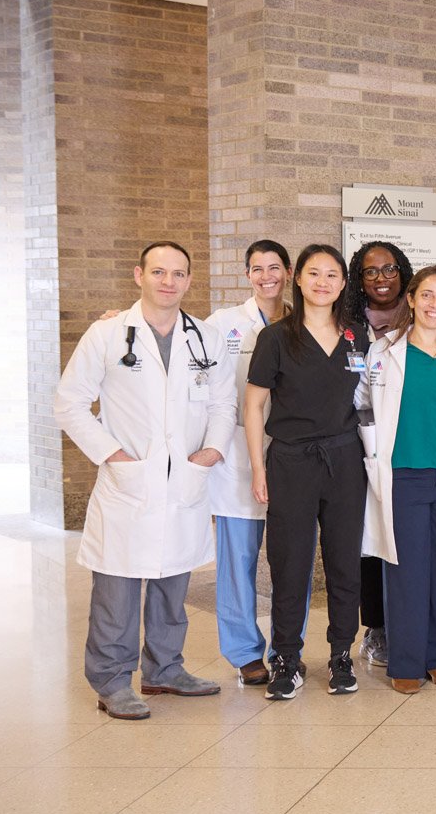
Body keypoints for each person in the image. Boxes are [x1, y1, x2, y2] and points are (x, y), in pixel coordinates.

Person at [55, 242, 232, 720]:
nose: (167, 281)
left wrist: (212, 450)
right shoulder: (108, 334)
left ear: (189, 280)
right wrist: (112, 453)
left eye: (177, 273)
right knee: (117, 589)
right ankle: (112, 681)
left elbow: (223, 404)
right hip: (129, 480)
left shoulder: (205, 338)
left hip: (186, 481)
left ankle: (165, 670)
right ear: (139, 275)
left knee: (173, 583)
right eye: (158, 271)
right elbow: (70, 403)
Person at [246, 244, 368, 701]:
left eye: (332, 275)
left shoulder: (358, 336)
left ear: (342, 283)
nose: (323, 282)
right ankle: (287, 658)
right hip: (291, 461)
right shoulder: (277, 337)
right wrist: (259, 468)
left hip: (345, 461)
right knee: (290, 563)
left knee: (343, 563)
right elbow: (255, 404)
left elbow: (372, 400)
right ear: (298, 279)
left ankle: (341, 653)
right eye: (314, 273)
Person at [357, 266, 436, 694]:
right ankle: (407, 662)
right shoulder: (384, 352)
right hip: (402, 473)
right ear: (411, 299)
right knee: (405, 569)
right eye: (427, 295)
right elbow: (362, 402)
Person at [204, 239, 290, 685]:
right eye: (257, 269)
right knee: (237, 559)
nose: (266, 276)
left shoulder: (304, 319)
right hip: (239, 456)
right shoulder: (223, 323)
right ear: (247, 275)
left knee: (288, 562)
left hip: (292, 453)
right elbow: (179, 343)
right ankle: (244, 651)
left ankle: (284, 649)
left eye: (274, 267)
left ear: (288, 272)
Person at [347, 240, 413, 670]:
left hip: (407, 442)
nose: (382, 278)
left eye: (390, 269)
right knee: (366, 540)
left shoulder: (421, 316)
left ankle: (409, 620)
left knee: (406, 535)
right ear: (359, 279)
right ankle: (376, 626)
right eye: (371, 271)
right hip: (354, 444)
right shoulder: (347, 324)